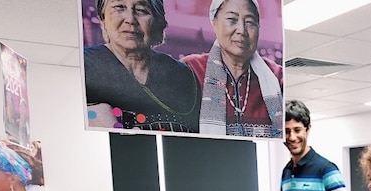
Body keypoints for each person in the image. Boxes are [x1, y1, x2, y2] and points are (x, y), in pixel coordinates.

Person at [83, 0, 201, 132]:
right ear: (103, 18)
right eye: (119, 7)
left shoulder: (182, 75)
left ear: (158, 22)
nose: (130, 19)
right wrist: (89, 114)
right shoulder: (84, 66)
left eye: (141, 10)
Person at [182, 0, 283, 137]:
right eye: (232, 19)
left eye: (249, 22)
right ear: (214, 23)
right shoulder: (191, 70)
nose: (241, 30)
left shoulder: (277, 77)